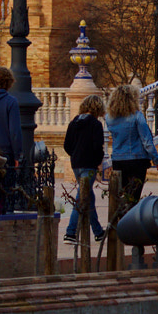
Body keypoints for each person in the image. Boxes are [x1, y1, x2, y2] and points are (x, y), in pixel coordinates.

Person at [107, 82, 158, 214]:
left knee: (120, 198)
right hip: (136, 160)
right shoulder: (137, 116)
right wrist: (157, 160)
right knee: (133, 199)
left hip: (118, 160)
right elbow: (147, 141)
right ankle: (130, 228)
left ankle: (119, 226)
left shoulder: (110, 118)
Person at [63, 93, 107, 246]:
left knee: (88, 196)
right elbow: (98, 147)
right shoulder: (95, 124)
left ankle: (98, 232)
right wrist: (98, 163)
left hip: (76, 164)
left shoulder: (73, 123)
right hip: (89, 165)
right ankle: (70, 232)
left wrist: (75, 155)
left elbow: (67, 145)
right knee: (81, 198)